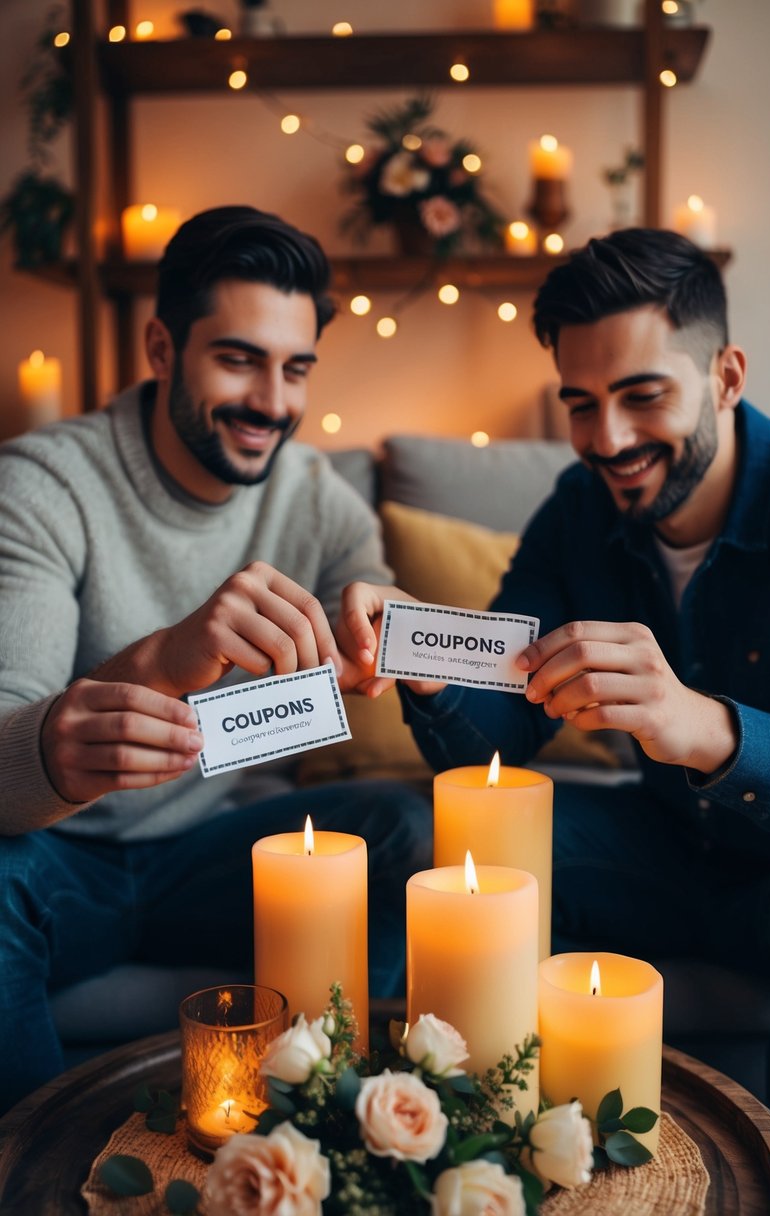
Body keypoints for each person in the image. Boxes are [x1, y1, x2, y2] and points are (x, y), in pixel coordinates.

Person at [341, 227, 770, 1168]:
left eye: (642, 395)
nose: (606, 440)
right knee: (451, 852)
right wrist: (427, 654)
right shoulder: (576, 510)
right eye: (580, 404)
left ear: (725, 377)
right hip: (659, 851)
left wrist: (713, 731)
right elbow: (493, 740)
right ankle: (458, 1148)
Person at [0, 205, 431, 1114]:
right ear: (161, 349)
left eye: (296, 368)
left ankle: (326, 1124)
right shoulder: (41, 487)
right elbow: (1, 779)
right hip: (54, 861)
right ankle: (36, 1171)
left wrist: (383, 625)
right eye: (238, 359)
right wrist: (157, 660)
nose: (272, 403)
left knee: (403, 829)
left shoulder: (318, 497)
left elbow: (375, 596)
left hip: (212, 848)